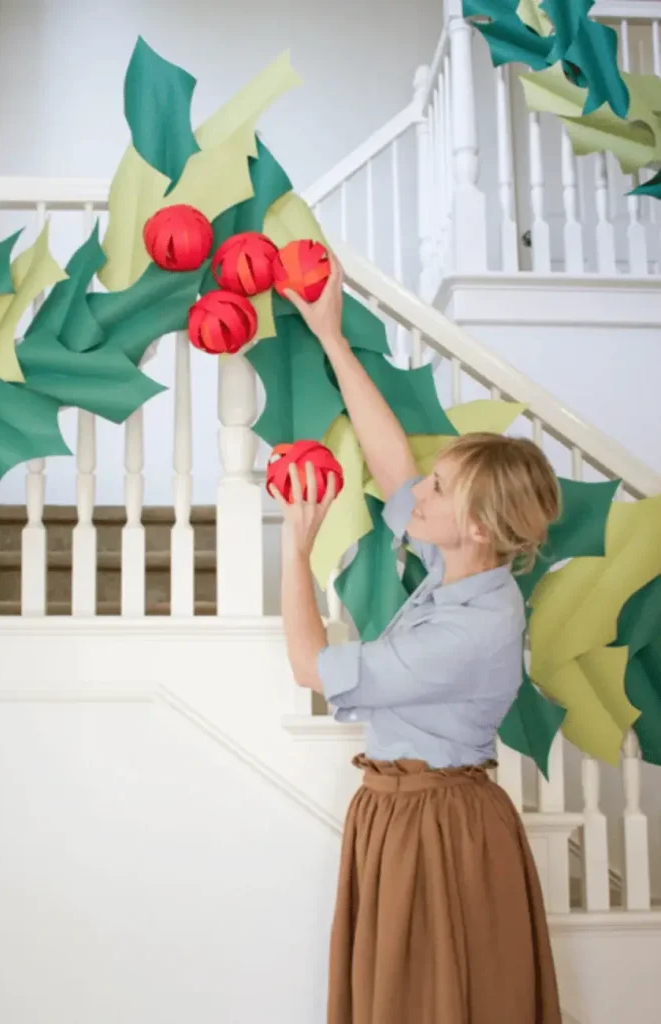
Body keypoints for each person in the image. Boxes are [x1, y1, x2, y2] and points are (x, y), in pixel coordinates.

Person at [271, 254, 563, 1024]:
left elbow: (308, 663)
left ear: (475, 524)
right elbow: (393, 462)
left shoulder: (469, 631)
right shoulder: (463, 565)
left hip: (438, 829)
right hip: (410, 814)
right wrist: (331, 336)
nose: (416, 493)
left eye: (439, 489)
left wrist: (293, 549)